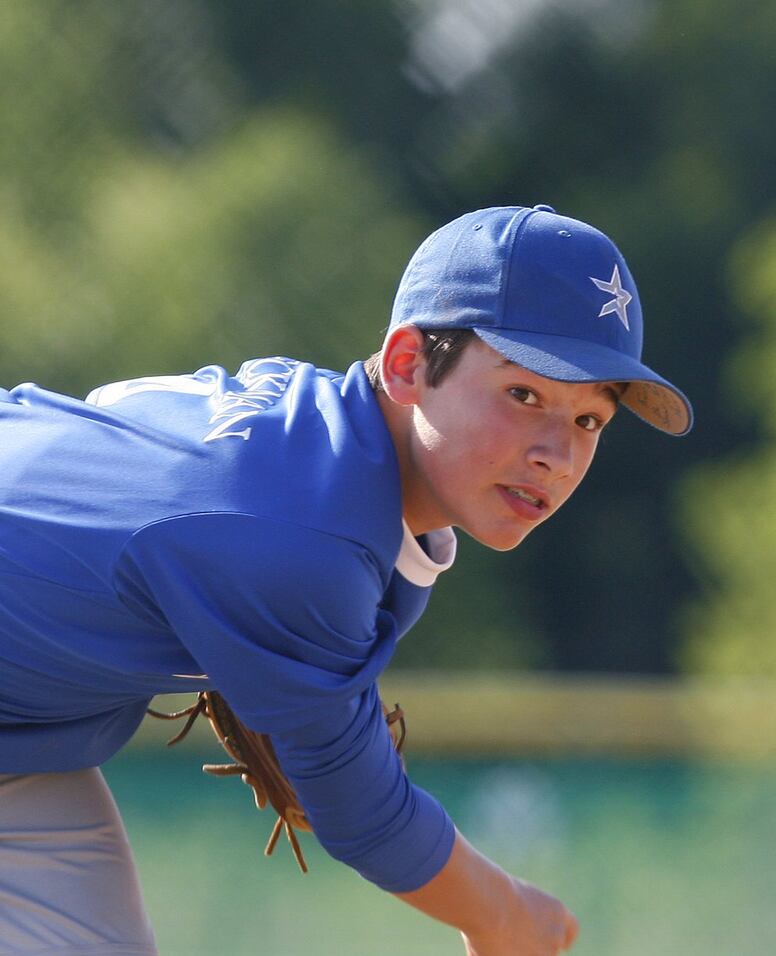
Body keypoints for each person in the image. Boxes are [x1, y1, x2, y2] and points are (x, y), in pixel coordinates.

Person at [0, 204, 692, 955]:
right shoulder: (304, 540)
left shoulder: (309, 432)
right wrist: (502, 914)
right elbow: (364, 813)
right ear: (407, 365)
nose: (557, 453)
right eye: (524, 395)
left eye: (589, 420)